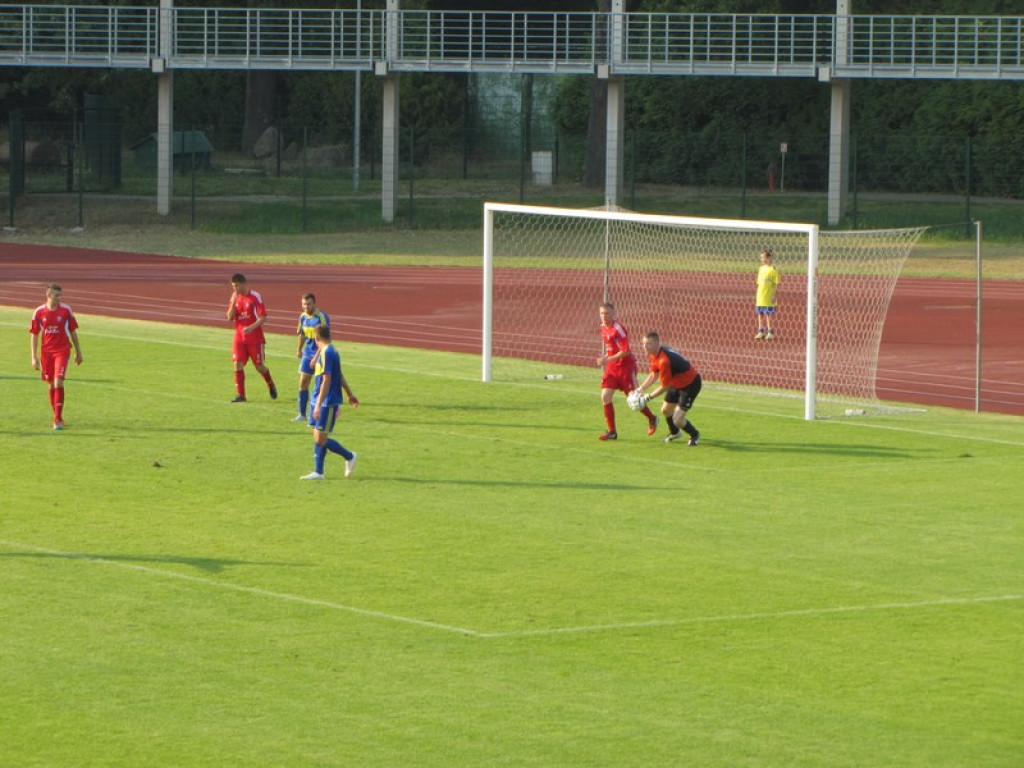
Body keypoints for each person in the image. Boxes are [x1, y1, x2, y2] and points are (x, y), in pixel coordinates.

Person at [300, 324, 360, 480]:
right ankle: (318, 472)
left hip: (327, 401)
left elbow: (328, 379)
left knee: (321, 438)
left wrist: (318, 405)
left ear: (316, 337)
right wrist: (350, 394)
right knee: (317, 435)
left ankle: (349, 456)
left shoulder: (329, 353)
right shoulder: (325, 351)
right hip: (317, 398)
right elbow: (339, 375)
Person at [596, 302, 658, 440]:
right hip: (612, 367)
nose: (604, 316)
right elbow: (612, 349)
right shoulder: (602, 328)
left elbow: (626, 351)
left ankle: (652, 418)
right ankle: (612, 432)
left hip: (626, 367)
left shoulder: (618, 329)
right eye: (602, 313)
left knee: (634, 399)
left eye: (607, 313)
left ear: (613, 314)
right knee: (605, 396)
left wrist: (608, 359)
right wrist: (605, 358)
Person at [29, 283, 83, 430]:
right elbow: (34, 335)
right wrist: (34, 357)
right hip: (47, 352)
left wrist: (78, 352)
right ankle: (58, 416)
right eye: (56, 295)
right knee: (51, 384)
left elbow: (73, 331)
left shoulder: (66, 310)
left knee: (59, 381)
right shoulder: (39, 312)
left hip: (62, 350)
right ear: (48, 295)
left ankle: (57, 419)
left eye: (60, 295)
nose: (59, 298)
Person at [635, 331, 702, 446]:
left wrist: (647, 398)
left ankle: (694, 434)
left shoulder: (664, 360)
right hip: (676, 382)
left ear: (657, 344)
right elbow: (654, 374)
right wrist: (640, 389)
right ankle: (675, 432)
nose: (645, 347)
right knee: (666, 410)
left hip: (690, 384)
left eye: (648, 344)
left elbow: (665, 386)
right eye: (644, 344)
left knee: (678, 419)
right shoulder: (654, 354)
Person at [226, 272, 277, 402]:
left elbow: (263, 317)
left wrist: (251, 328)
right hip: (239, 337)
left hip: (254, 338)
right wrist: (233, 302)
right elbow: (229, 317)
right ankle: (241, 395)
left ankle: (270, 383)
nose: (235, 289)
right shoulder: (235, 298)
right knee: (237, 363)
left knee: (259, 366)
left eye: (237, 286)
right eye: (233, 286)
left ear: (244, 284)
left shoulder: (255, 297)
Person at [293, 292, 330, 422]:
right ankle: (302, 414)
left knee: (320, 385)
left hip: (321, 355)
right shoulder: (302, 317)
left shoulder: (321, 317)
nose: (306, 307)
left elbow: (325, 340)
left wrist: (316, 357)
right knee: (303, 382)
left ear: (314, 304)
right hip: (308, 354)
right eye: (304, 304)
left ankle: (321, 412)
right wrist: (299, 349)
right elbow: (302, 334)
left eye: (309, 304)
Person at [755, 248, 780, 340]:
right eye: (761, 257)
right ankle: (761, 331)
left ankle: (770, 332)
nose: (762, 259)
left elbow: (776, 284)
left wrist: (774, 295)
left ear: (769, 258)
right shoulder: (761, 269)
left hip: (769, 296)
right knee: (760, 314)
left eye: (763, 257)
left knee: (768, 314)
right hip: (760, 296)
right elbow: (759, 283)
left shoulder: (773, 269)